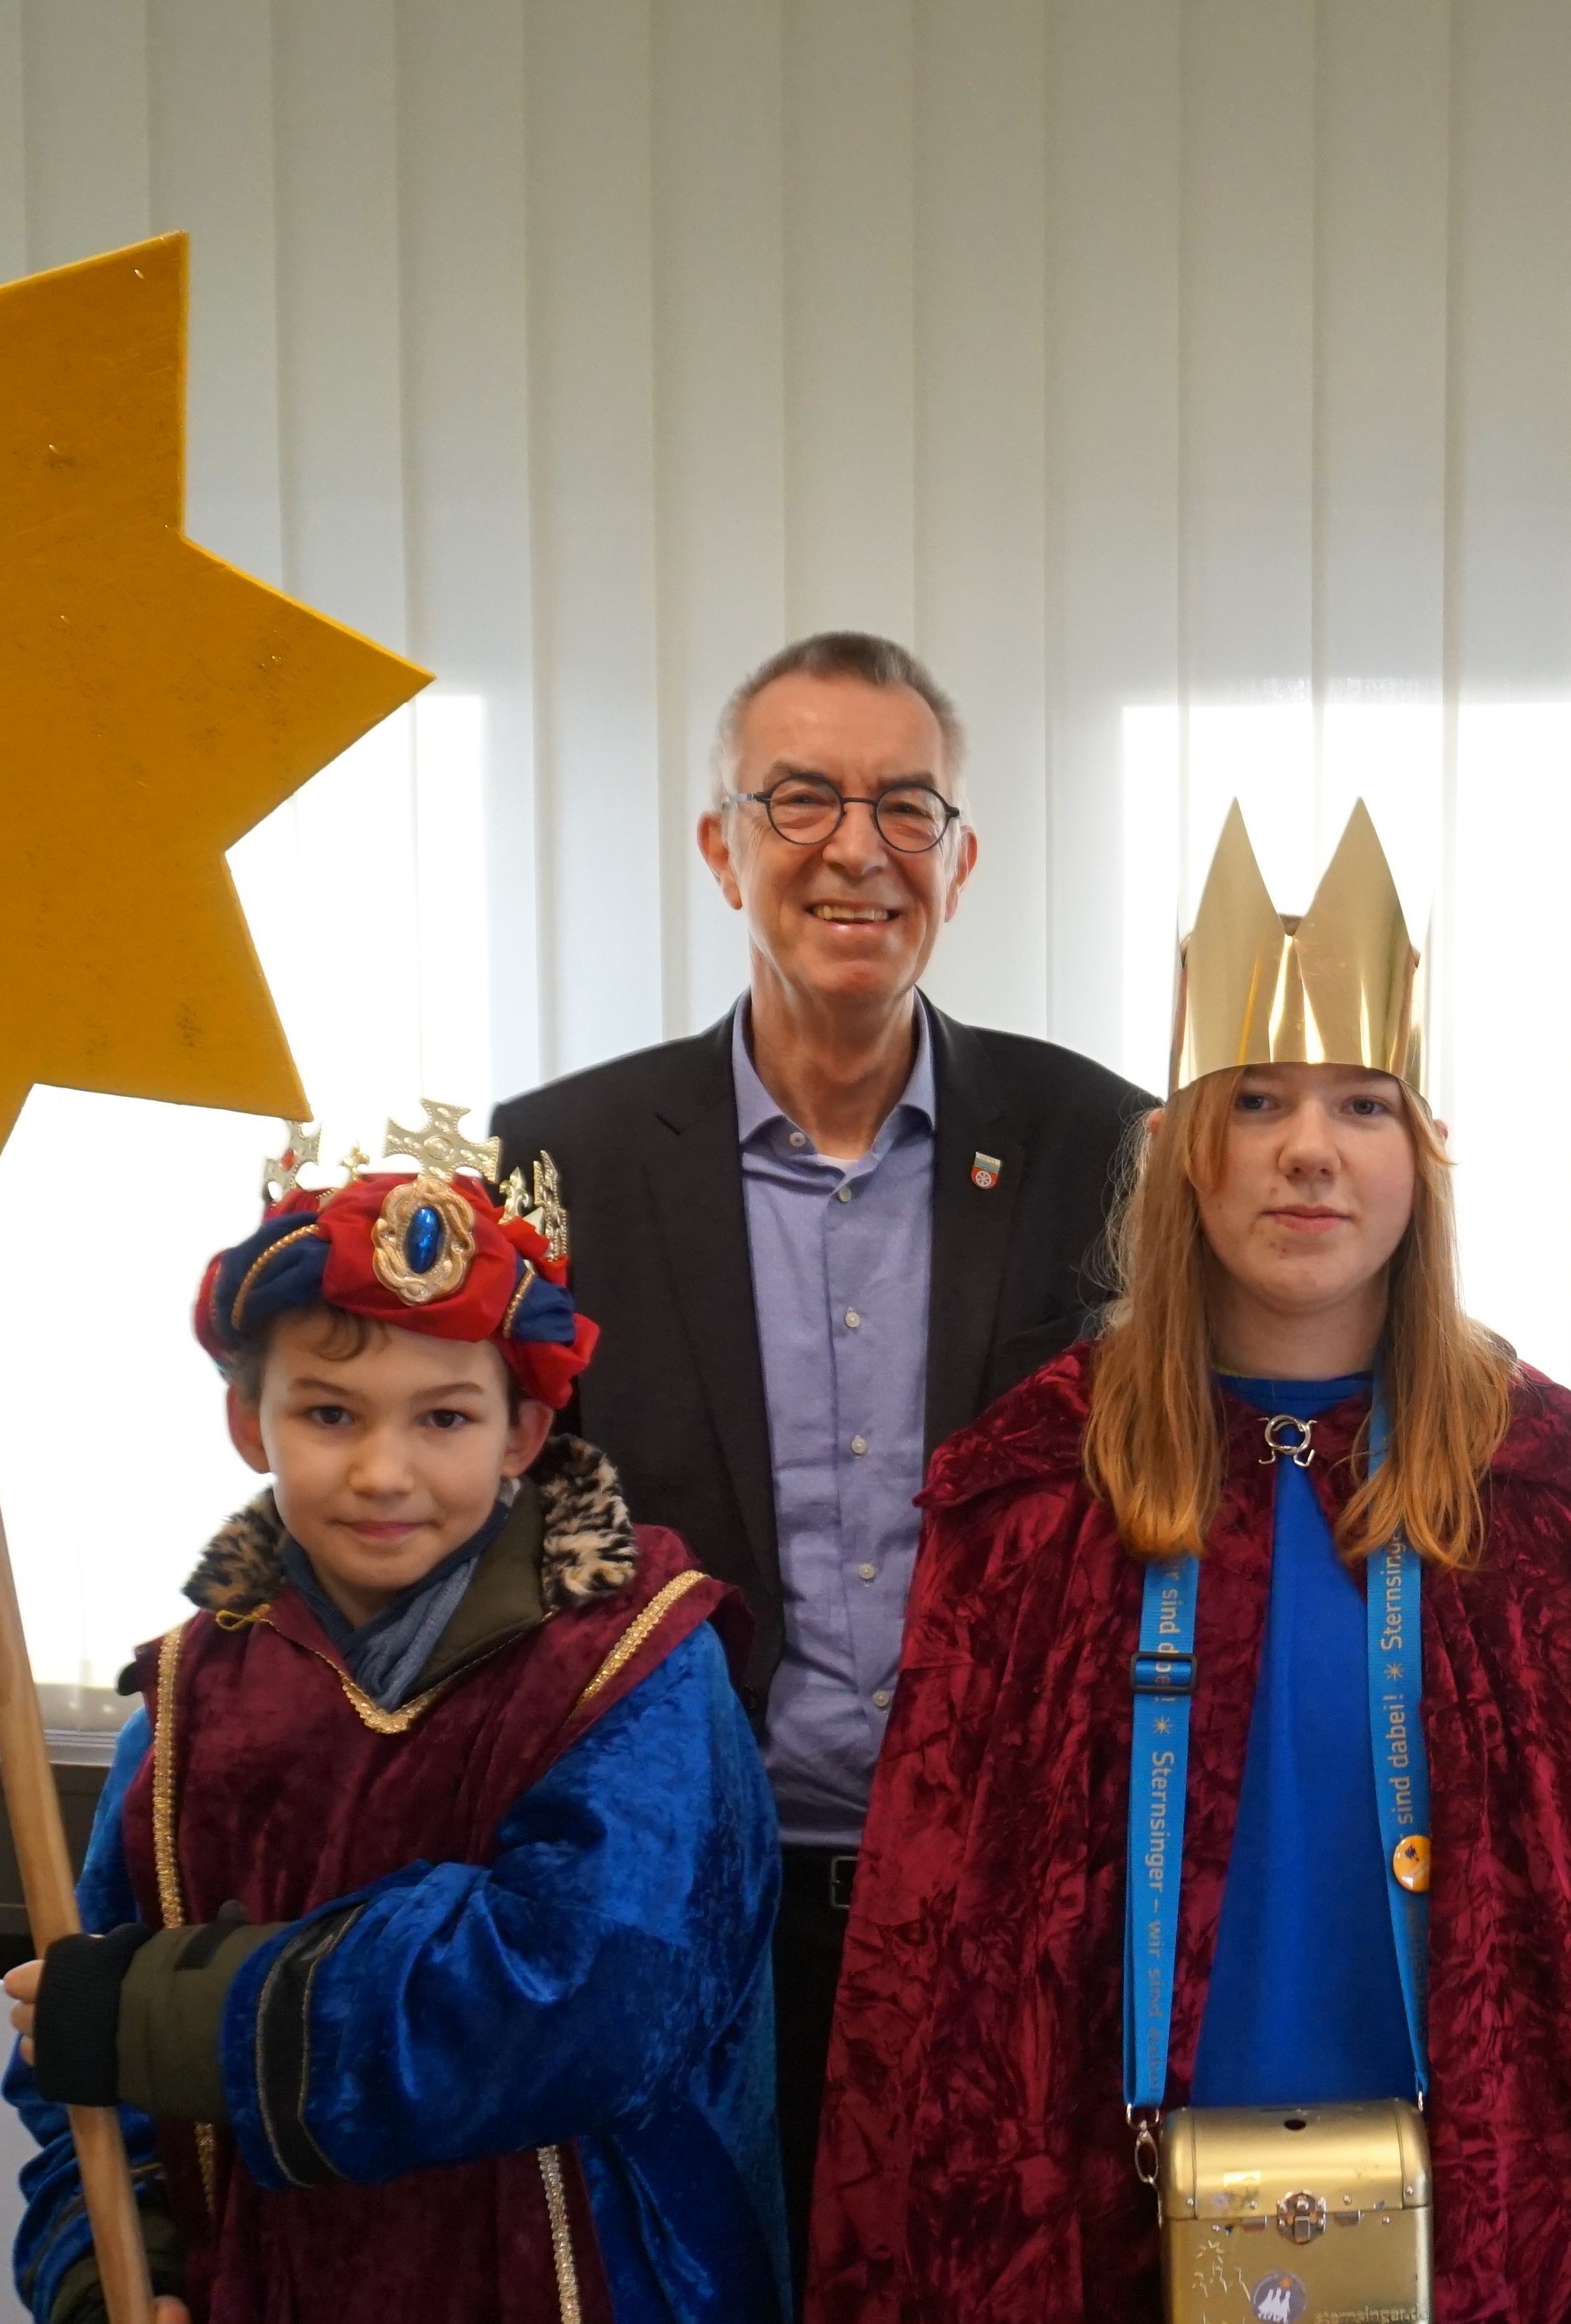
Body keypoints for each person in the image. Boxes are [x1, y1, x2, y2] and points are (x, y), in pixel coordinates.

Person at [807, 804, 1571, 2322]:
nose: (1309, 1151)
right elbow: (936, 1989)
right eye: (1258, 1104)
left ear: (1424, 1157)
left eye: (1363, 1106)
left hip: (1470, 2213)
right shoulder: (1033, 1498)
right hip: (1117, 2215)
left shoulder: (1564, 1507)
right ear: (1179, 1152)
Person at [491, 630, 1152, 2232]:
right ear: (723, 847)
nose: (858, 849)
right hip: (691, 1901)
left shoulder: (1103, 1145)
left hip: (1006, 1907)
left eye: (906, 807)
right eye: (802, 800)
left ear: (961, 860)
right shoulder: (562, 1159)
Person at [0, 1112, 785, 2323]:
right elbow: (79, 2045)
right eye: (329, 1413)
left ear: (526, 1427)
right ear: (247, 1420)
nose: (382, 1470)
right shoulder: (193, 1700)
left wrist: (180, 2009)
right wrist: (115, 2265)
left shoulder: (636, 1665)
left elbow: (591, 1997)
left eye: (444, 1417)